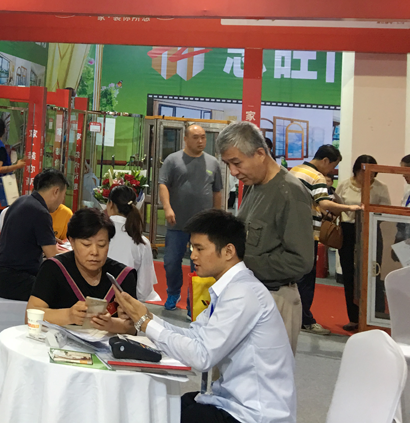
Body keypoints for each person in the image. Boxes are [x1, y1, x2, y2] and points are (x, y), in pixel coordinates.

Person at [114, 210, 296, 423]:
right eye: (192, 248)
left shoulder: (243, 293)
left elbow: (202, 357)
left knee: (160, 412)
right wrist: (147, 318)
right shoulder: (232, 288)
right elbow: (194, 336)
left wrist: (146, 323)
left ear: (228, 251)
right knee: (163, 406)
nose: (193, 256)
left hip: (253, 415)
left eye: (199, 248)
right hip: (232, 402)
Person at [217, 121, 313, 355]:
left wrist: (241, 264)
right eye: (228, 164)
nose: (233, 172)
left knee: (263, 373)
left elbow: (300, 261)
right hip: (248, 294)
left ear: (260, 154)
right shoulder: (254, 185)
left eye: (237, 163)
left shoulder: (289, 192)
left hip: (274, 299)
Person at [27, 208, 137, 332]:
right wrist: (68, 315)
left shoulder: (122, 276)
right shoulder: (54, 269)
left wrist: (112, 324)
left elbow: (133, 328)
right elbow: (30, 315)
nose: (94, 252)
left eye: (102, 245)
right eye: (86, 244)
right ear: (72, 242)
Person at [290, 145, 359, 335]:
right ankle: (305, 320)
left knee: (293, 277)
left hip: (290, 230)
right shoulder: (316, 176)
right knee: (307, 277)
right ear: (326, 160)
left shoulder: (295, 170)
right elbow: (324, 202)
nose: (331, 171)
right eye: (332, 166)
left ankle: (292, 316)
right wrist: (350, 208)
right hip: (306, 232)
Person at [158, 123, 223, 310]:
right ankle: (173, 292)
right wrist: (167, 207)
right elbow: (163, 185)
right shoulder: (173, 160)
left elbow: (217, 191)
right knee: (171, 262)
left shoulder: (213, 163)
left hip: (203, 227)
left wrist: (216, 216)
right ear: (185, 139)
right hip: (177, 223)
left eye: (203, 137)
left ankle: (194, 304)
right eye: (196, 137)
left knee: (200, 265)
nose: (201, 141)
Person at [0, 168, 67, 301]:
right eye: (63, 195)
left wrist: (48, 238)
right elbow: (53, 257)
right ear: (56, 191)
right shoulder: (41, 213)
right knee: (62, 292)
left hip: (1, 277)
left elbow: (24, 234)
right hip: (16, 281)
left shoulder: (21, 201)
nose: (62, 201)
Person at [335, 154, 389, 332]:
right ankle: (353, 317)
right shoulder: (344, 185)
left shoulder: (380, 188)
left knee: (373, 273)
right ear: (356, 170)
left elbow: (386, 211)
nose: (367, 176)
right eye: (363, 172)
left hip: (372, 230)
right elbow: (337, 206)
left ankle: (374, 316)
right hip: (349, 230)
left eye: (372, 173)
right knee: (349, 273)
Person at [106, 185, 160, 302]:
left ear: (110, 204)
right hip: (126, 304)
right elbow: (143, 291)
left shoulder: (97, 232)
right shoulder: (141, 242)